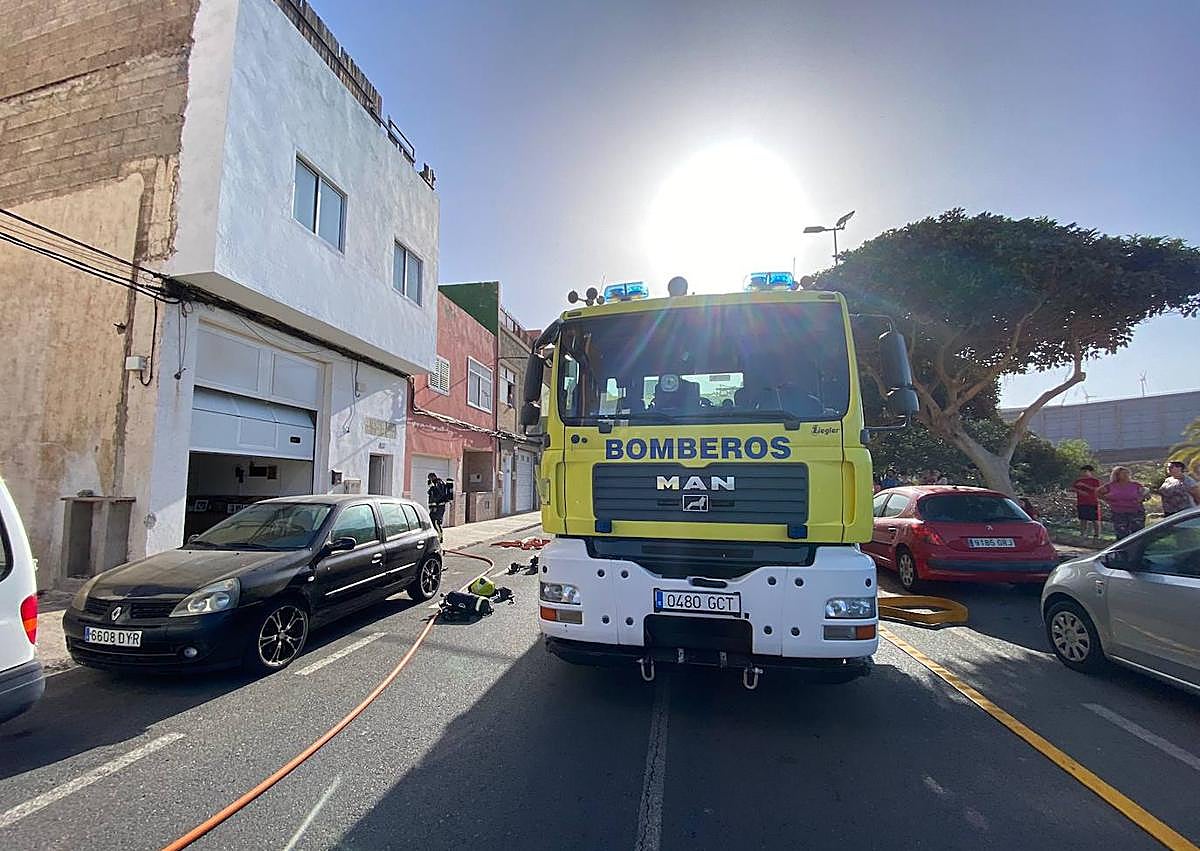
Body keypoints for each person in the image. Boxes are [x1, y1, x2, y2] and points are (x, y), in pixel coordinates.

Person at [1097, 466, 1150, 540]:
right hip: (1119, 512)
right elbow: (1098, 493)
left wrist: (1141, 499)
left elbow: (1146, 494)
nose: (1126, 475)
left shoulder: (1135, 485)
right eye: (1123, 473)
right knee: (1122, 533)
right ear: (1117, 475)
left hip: (1135, 512)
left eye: (1127, 473)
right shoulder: (1111, 486)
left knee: (1137, 533)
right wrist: (1108, 500)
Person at [1072, 465, 1102, 540]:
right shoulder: (1078, 481)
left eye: (1085, 471)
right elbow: (1073, 488)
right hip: (1081, 502)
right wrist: (1079, 491)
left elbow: (1096, 489)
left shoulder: (1095, 481)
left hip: (1092, 502)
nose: (1084, 473)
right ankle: (1083, 534)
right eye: (1082, 471)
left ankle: (1096, 535)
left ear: (1090, 472)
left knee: (1095, 520)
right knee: (1083, 519)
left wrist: (1084, 485)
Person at [427, 472, 449, 539]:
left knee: (436, 522)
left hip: (438, 507)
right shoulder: (437, 483)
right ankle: (437, 536)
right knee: (432, 521)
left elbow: (438, 494)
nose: (430, 479)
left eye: (430, 478)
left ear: (433, 477)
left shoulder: (438, 483)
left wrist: (432, 487)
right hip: (436, 507)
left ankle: (439, 538)